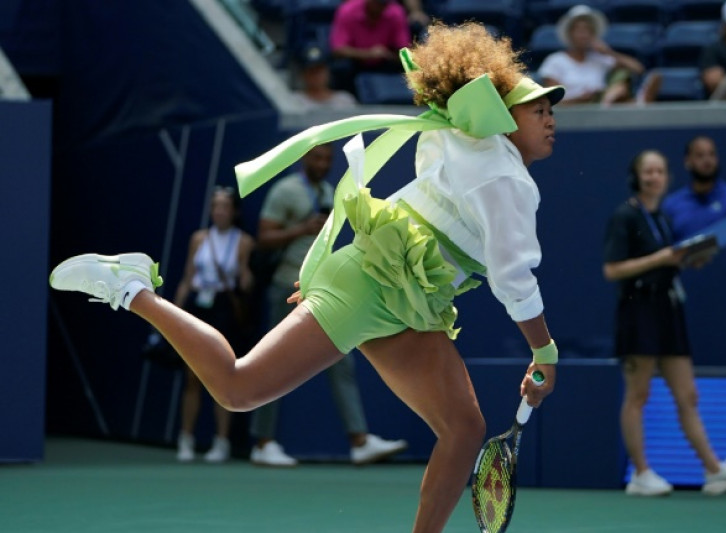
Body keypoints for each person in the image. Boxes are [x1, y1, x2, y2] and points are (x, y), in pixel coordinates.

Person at [50, 22, 559, 533]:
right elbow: (513, 278)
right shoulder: (503, 176)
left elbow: (417, 209)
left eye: (550, 109)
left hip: (409, 298)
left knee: (464, 429)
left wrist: (326, 272)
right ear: (504, 119)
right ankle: (134, 288)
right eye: (537, 109)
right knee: (237, 388)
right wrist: (544, 352)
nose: (549, 119)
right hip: (373, 284)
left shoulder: (458, 141)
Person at [603, 150, 726, 497]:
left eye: (659, 171)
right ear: (636, 177)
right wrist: (662, 258)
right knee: (638, 394)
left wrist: (687, 261)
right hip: (637, 310)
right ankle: (640, 474)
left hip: (668, 309)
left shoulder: (664, 218)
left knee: (688, 395)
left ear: (667, 178)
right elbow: (612, 270)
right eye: (648, 171)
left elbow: (666, 262)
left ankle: (714, 471)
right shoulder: (625, 215)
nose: (654, 177)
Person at [249, 143, 408, 467]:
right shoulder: (286, 190)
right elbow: (263, 237)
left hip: (319, 290)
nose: (322, 164)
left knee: (341, 360)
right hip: (286, 287)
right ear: (305, 158)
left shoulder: (331, 191)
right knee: (271, 363)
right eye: (316, 157)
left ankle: (359, 441)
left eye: (327, 160)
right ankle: (263, 443)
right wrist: (301, 229)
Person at [172, 186, 255, 463]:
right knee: (191, 375)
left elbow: (245, 278)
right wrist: (174, 312)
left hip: (223, 309)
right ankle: (186, 439)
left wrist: (247, 279)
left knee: (222, 374)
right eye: (215, 206)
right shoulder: (198, 239)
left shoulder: (244, 242)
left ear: (234, 211)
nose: (219, 211)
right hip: (198, 306)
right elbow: (187, 277)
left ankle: (221, 442)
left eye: (225, 206)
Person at [538, 4, 658, 107]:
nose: (583, 35)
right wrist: (580, 99)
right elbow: (553, 102)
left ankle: (638, 103)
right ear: (570, 34)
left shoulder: (600, 59)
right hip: (569, 116)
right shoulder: (554, 61)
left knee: (621, 81)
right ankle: (638, 103)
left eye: (587, 30)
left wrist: (608, 52)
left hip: (601, 112)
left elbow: (638, 69)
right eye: (578, 30)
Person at [662, 136, 726, 241]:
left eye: (712, 154)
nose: (707, 160)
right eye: (700, 155)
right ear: (687, 161)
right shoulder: (671, 205)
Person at [329, 0, 411, 97]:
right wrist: (368, 54)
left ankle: (399, 100)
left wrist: (389, 55)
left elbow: (403, 49)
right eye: (376, 2)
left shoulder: (395, 12)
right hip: (355, 60)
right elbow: (338, 49)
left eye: (383, 4)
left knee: (406, 65)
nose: (379, 6)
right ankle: (347, 102)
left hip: (383, 60)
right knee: (341, 66)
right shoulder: (348, 10)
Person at [292, 45, 358, 111]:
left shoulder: (345, 100)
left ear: (328, 72)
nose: (316, 76)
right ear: (303, 74)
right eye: (312, 71)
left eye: (319, 71)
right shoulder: (294, 100)